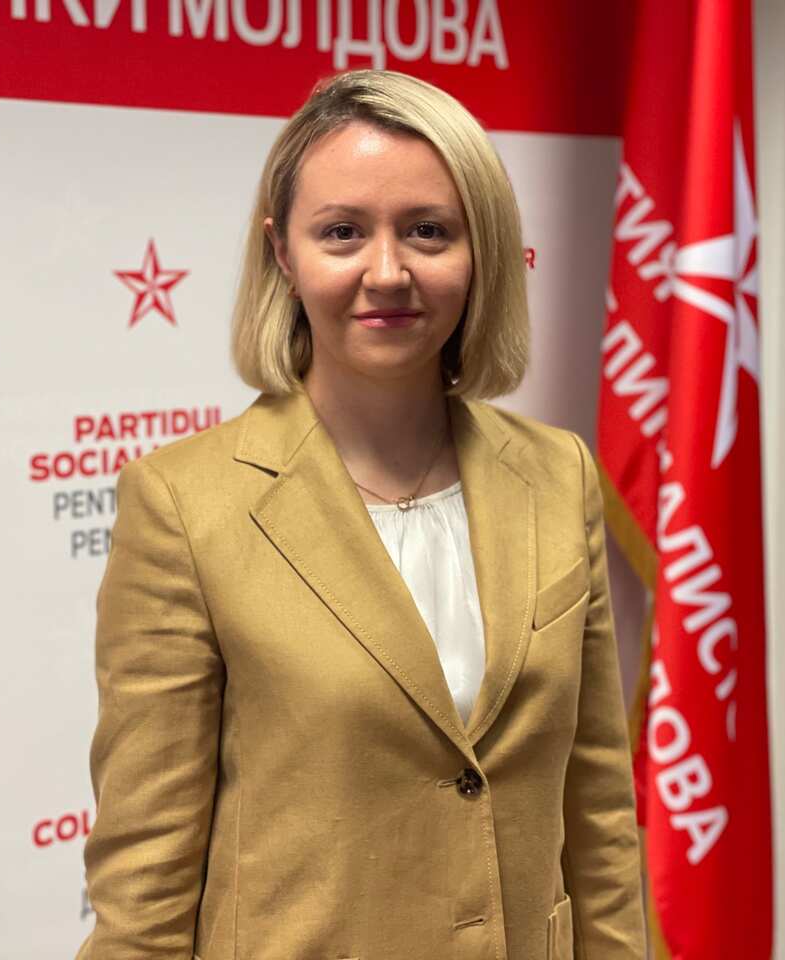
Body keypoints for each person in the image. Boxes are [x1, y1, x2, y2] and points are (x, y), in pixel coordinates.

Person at [76, 69, 646, 960]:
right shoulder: (184, 505)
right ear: (283, 254)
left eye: (428, 231)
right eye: (342, 232)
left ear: (481, 250)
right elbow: (146, 873)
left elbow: (599, 808)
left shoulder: (557, 472)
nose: (389, 272)